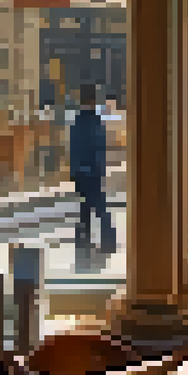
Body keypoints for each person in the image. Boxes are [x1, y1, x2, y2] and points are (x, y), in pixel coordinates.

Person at [69, 84, 116, 253]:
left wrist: (74, 172)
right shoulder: (95, 120)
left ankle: (84, 244)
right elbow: (99, 147)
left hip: (81, 172)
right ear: (93, 100)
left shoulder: (77, 120)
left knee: (84, 210)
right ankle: (107, 243)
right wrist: (100, 170)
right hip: (93, 172)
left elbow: (73, 148)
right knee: (100, 208)